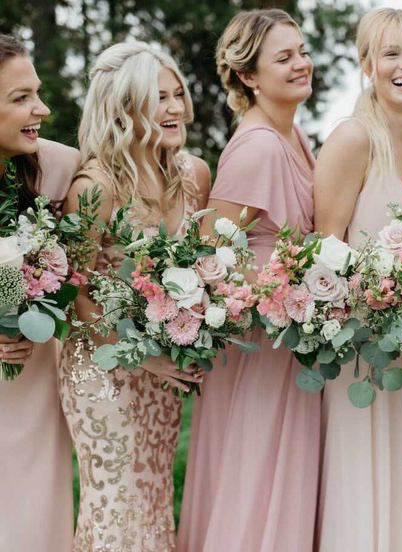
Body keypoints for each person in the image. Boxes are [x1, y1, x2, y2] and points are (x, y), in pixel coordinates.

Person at [58, 42, 210, 550]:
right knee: (115, 502)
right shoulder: (93, 185)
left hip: (164, 371)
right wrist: (144, 360)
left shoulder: (195, 175)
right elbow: (74, 290)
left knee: (154, 498)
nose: (175, 108)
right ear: (124, 108)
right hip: (101, 370)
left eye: (176, 95)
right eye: (157, 98)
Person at [177, 10, 318, 551]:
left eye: (302, 51)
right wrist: (272, 291)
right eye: (284, 57)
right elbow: (211, 257)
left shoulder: (296, 135)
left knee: (282, 473)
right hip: (258, 340)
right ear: (249, 77)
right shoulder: (257, 146)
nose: (301, 63)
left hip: (291, 333)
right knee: (254, 471)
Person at [312, 7, 402, 551]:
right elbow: (326, 251)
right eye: (391, 53)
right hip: (366, 351)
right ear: (367, 64)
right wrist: (375, 297)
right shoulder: (352, 139)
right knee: (370, 478)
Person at [0, 33, 79, 552]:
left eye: (38, 92)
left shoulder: (58, 166)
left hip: (30, 374)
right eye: (20, 97)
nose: (42, 109)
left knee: (33, 517)